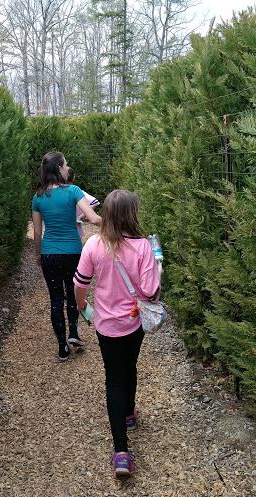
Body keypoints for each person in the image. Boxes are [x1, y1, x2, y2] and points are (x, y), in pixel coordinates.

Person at [73, 189, 163, 477]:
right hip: (133, 323)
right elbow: (150, 291)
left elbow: (80, 283)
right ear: (131, 214)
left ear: (108, 214)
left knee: (114, 377)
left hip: (106, 325)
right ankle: (129, 414)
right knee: (130, 367)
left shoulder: (93, 244)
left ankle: (121, 453)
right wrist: (158, 272)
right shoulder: (143, 247)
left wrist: (82, 306)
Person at [32, 151, 102, 362]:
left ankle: (62, 346)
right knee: (72, 294)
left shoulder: (38, 197)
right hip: (73, 252)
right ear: (59, 169)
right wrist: (114, 223)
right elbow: (92, 217)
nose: (67, 168)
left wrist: (38, 254)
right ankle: (73, 333)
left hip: (49, 253)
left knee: (55, 298)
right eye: (65, 165)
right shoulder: (73, 191)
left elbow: (37, 232)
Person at [66, 168, 100, 238]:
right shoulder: (77, 192)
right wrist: (83, 215)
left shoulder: (56, 193)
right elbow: (94, 202)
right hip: (76, 231)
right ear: (74, 178)